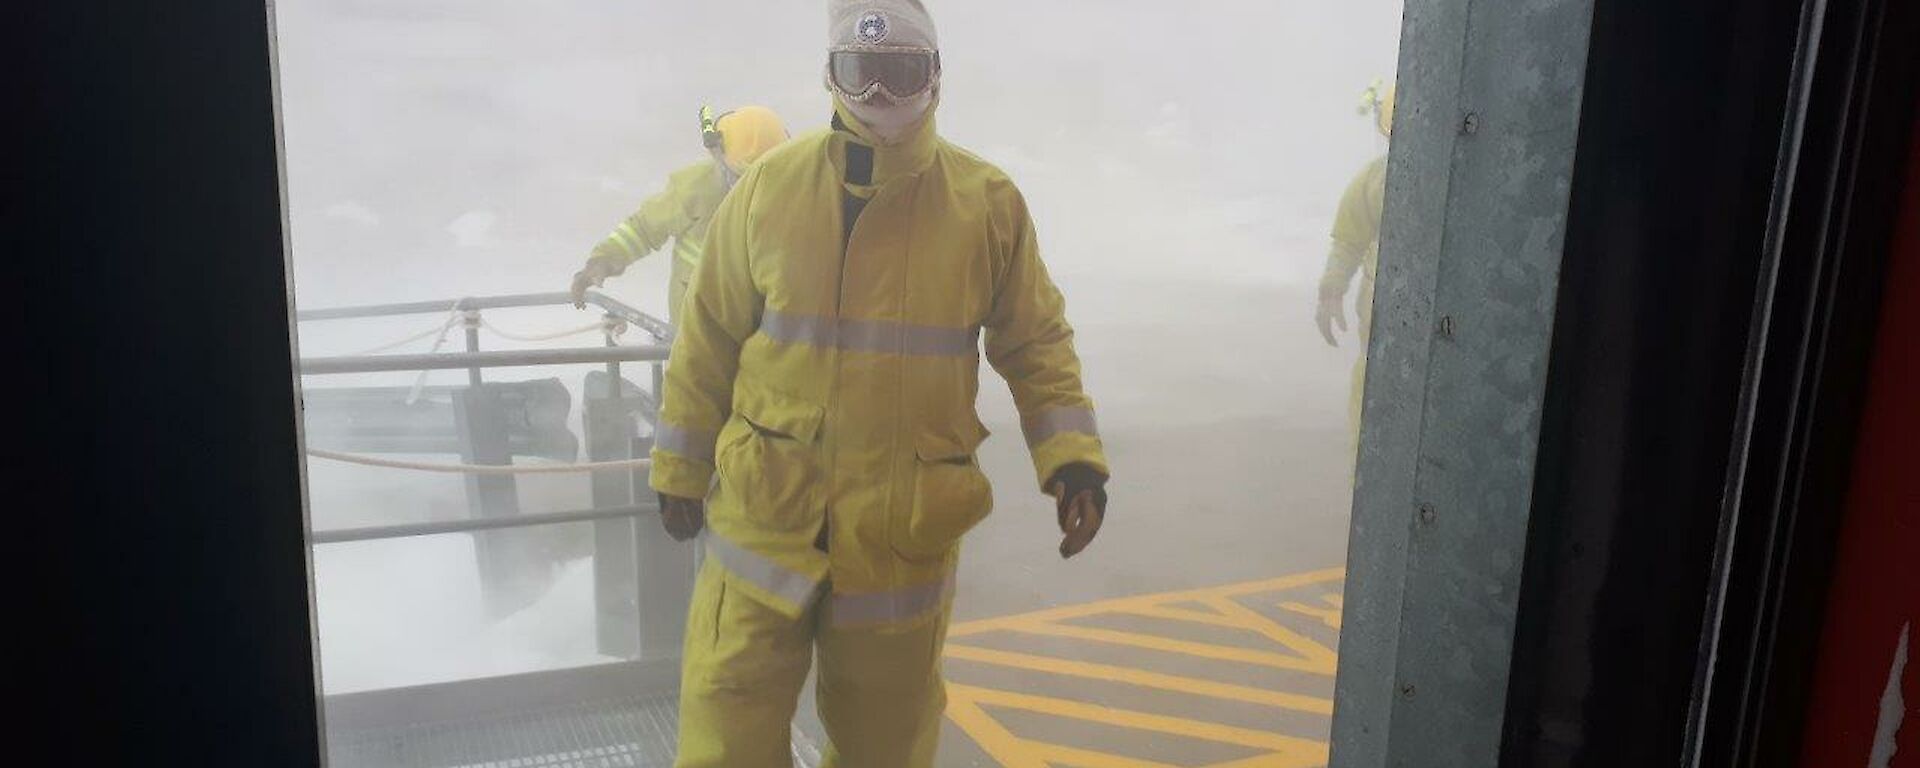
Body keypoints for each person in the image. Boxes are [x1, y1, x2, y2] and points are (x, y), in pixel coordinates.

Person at [647, 2, 1111, 764]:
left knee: (885, 745)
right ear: (831, 76)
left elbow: (1035, 339)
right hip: (766, 518)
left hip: (900, 536)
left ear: (936, 79)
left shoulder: (984, 204)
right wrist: (679, 467)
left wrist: (1071, 458)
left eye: (903, 74)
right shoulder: (767, 191)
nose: (883, 99)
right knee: (727, 727)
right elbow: (708, 340)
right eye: (864, 75)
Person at [570, 105, 788, 322]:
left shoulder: (797, 196)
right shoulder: (695, 190)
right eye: (741, 177)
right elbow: (643, 229)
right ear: (719, 158)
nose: (753, 188)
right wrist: (601, 263)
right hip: (695, 331)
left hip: (763, 335)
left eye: (767, 178)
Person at [1315, 81, 1394, 442]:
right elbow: (1348, 242)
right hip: (1379, 325)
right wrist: (1331, 292)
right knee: (1370, 412)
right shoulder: (1374, 180)